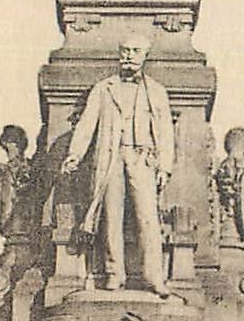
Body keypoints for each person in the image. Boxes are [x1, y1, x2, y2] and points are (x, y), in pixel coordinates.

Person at [61, 38, 174, 294]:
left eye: (135, 51)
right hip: (111, 157)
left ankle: (154, 276)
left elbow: (166, 132)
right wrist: (75, 154)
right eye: (125, 51)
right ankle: (114, 273)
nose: (129, 56)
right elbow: (87, 124)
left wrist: (164, 168)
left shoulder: (156, 91)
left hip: (143, 158)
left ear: (145, 55)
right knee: (111, 217)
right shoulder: (104, 88)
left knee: (147, 217)